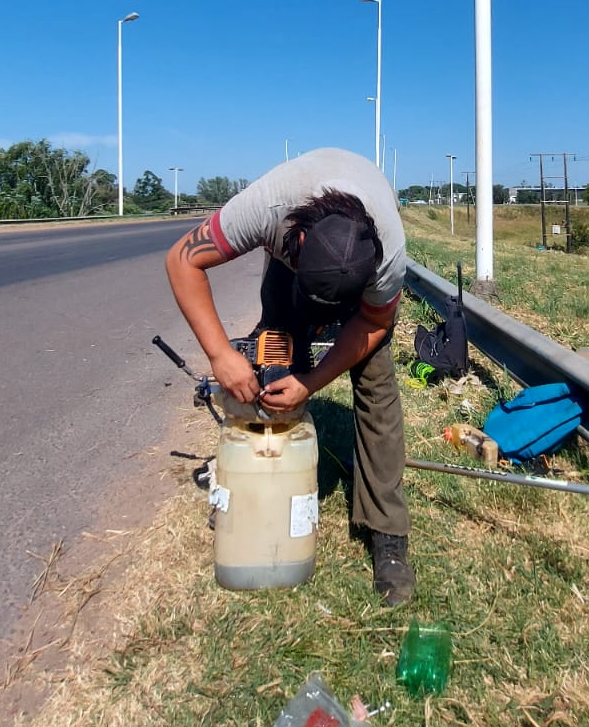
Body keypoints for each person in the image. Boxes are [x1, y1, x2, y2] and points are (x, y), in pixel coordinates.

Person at [164, 148, 413, 605]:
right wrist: (221, 355)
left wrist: (314, 382)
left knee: (376, 383)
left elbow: (373, 325)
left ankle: (388, 534)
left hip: (353, 274)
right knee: (278, 347)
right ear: (294, 244)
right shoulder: (269, 209)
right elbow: (182, 260)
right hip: (291, 263)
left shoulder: (388, 259)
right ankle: (260, 471)